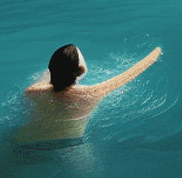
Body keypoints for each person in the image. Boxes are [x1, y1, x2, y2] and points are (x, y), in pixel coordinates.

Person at [18, 44, 161, 144]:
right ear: (79, 71)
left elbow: (46, 78)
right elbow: (129, 74)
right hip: (69, 143)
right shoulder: (92, 93)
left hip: (26, 139)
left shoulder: (32, 92)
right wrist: (156, 53)